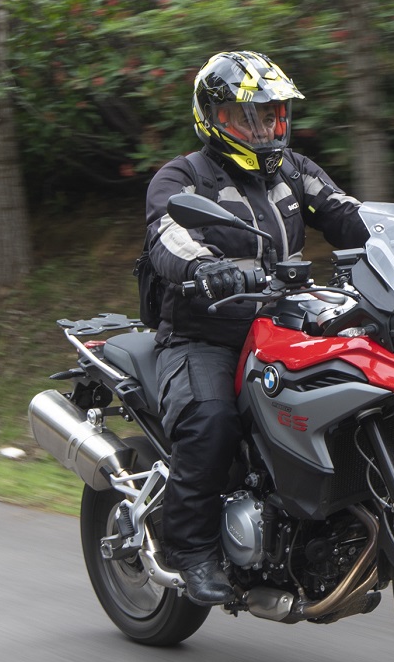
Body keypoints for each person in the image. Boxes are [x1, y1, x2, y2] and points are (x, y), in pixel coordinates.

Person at [141, 50, 371, 604]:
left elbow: (349, 213)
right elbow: (168, 235)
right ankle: (190, 549)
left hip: (285, 324)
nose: (264, 128)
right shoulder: (184, 176)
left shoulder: (295, 171)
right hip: (207, 333)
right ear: (213, 119)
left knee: (361, 389)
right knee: (211, 419)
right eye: (248, 117)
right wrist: (204, 269)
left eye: (272, 115)